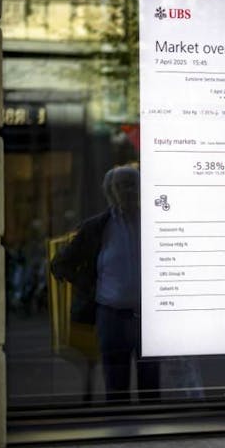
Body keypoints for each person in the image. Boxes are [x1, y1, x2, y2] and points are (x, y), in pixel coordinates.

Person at [51, 165, 159, 403]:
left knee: (151, 385)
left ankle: (153, 429)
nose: (128, 190)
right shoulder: (96, 227)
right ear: (110, 192)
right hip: (112, 316)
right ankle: (121, 431)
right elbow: (60, 264)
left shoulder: (156, 223)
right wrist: (90, 288)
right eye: (121, 186)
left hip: (149, 317)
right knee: (116, 384)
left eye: (133, 185)